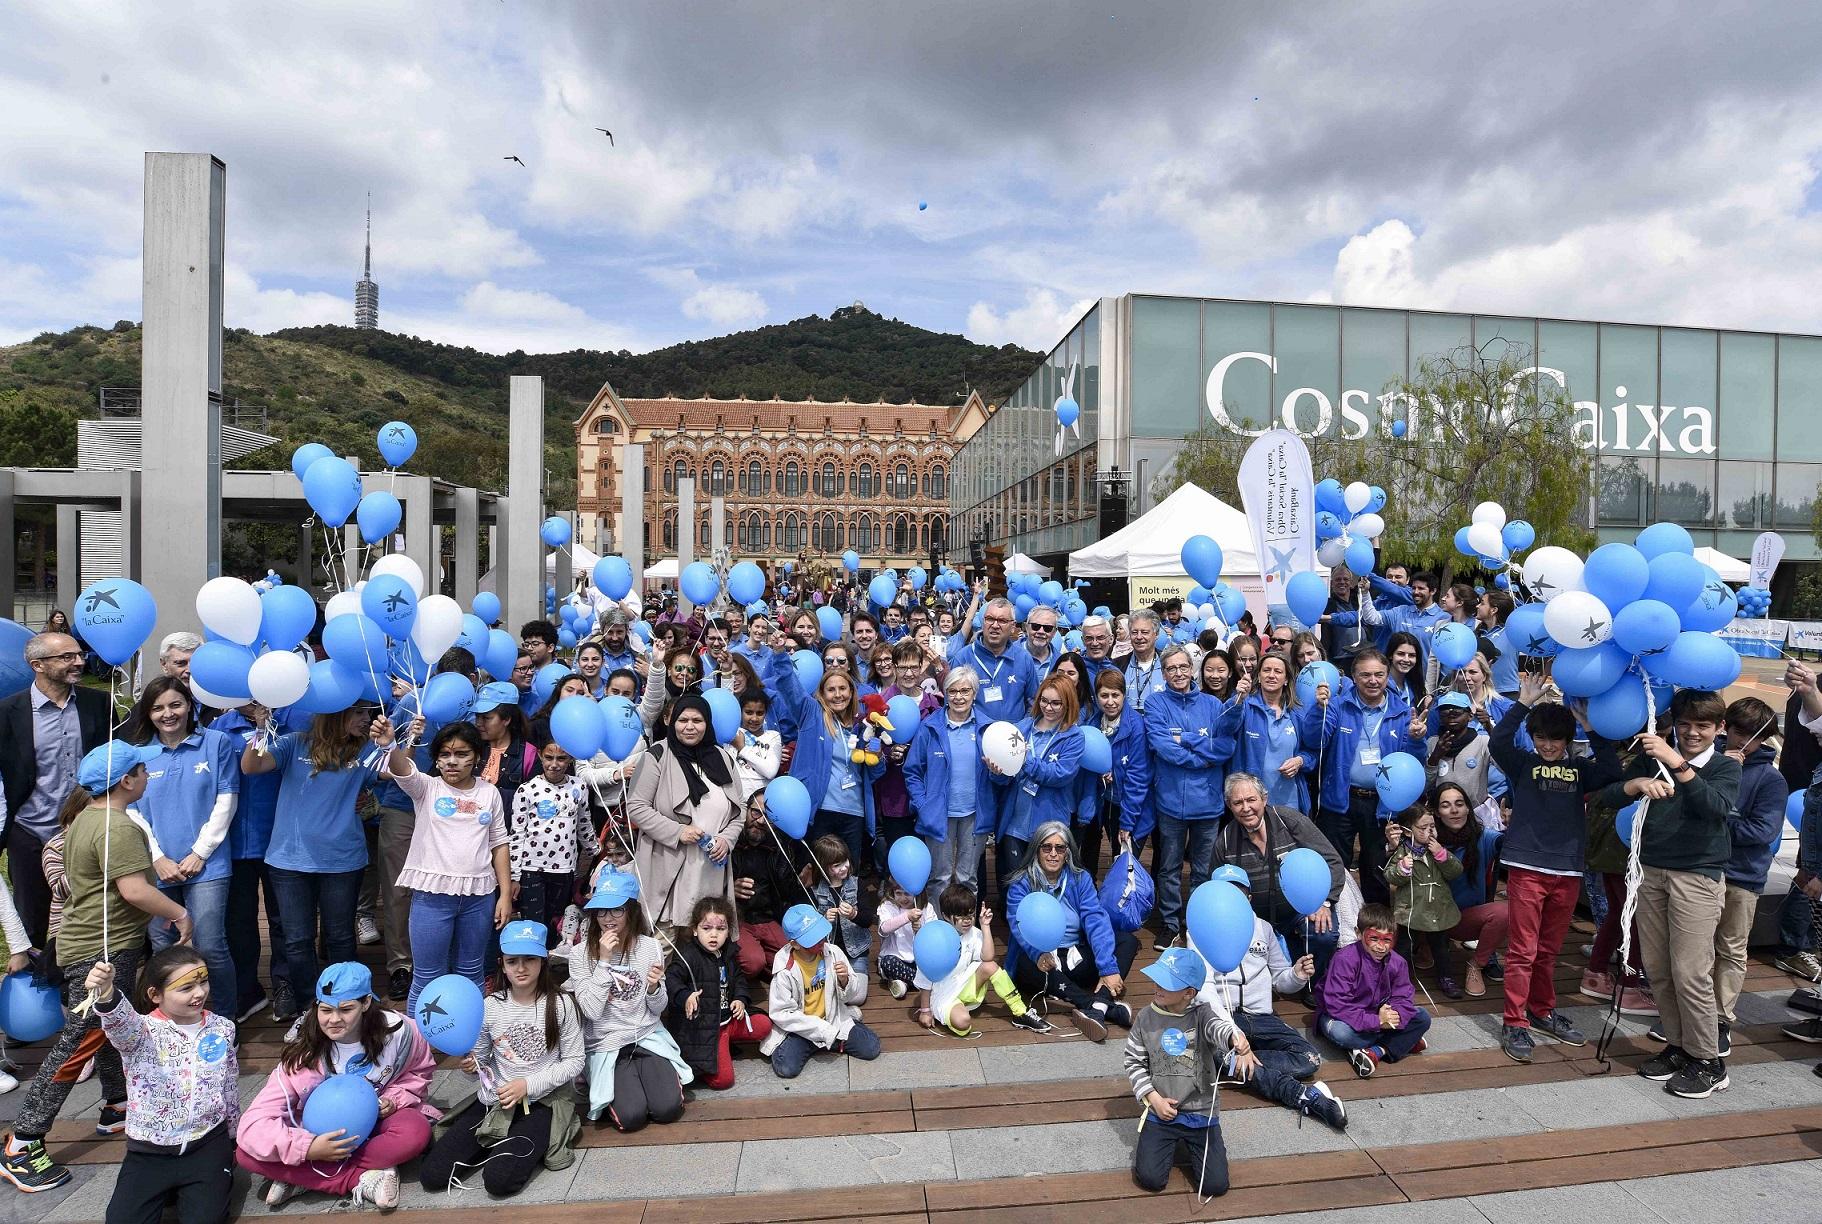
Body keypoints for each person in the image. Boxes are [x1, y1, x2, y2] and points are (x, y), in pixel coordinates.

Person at [3, 741, 191, 1195]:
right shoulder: (117, 827)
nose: (148, 775)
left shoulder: (86, 818)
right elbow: (135, 891)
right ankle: (23, 1141)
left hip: (92, 944)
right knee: (79, 1040)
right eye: (143, 770)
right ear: (127, 780)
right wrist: (180, 914)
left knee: (110, 1026)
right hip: (100, 952)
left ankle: (116, 1105)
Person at [1598, 689, 1741, 1098]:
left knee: (1691, 972)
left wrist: (1677, 764)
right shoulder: (1653, 758)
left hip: (1697, 877)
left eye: (1702, 726)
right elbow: (1607, 796)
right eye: (1684, 725)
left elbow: (1715, 808)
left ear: (1720, 729)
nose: (1692, 733)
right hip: (1650, 872)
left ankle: (1709, 1060)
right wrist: (1638, 783)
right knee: (1658, 968)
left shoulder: (1724, 767)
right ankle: (1678, 1047)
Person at [1490, 673, 1621, 1065]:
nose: (1547, 746)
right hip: (1526, 867)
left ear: (1567, 741)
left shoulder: (1581, 769)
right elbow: (1498, 742)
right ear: (1532, 738)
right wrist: (1523, 703)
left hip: (1566, 871)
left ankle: (1541, 1010)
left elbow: (1613, 771)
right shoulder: (1523, 763)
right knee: (1522, 951)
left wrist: (1591, 729)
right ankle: (1514, 1021)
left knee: (1547, 950)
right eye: (1541, 738)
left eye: (1555, 739)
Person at [238, 962, 437, 1211]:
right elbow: (252, 1125)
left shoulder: (401, 1032)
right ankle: (361, 1178)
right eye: (325, 1010)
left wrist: (395, 1099)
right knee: (245, 1154)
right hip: (317, 1134)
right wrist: (308, 1148)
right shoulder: (305, 1055)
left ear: (366, 1003)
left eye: (346, 1009)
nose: (333, 1019)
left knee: (415, 1132)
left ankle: (305, 1177)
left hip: (379, 1125)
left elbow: (419, 1073)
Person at [241, 705, 391, 1020]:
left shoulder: (363, 749)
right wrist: (259, 730)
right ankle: (312, 1008)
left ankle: (346, 1005)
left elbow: (394, 772)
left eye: (370, 712)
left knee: (340, 939)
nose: (367, 719)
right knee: (297, 940)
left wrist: (396, 742)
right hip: (289, 860)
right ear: (335, 712)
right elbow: (252, 766)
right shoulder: (295, 742)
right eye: (360, 713)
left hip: (342, 861)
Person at [420, 922, 585, 1198]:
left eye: (530, 959)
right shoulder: (490, 1005)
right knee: (433, 1175)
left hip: (541, 1101)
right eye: (512, 961)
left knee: (499, 1181)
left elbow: (574, 1061)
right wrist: (472, 1066)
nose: (521, 968)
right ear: (502, 964)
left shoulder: (561, 1004)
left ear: (543, 961)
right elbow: (481, 1058)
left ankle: (531, 1137)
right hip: (494, 1100)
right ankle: (494, 1139)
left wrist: (528, 1085)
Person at [117, 676, 241, 1029]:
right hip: (155, 867)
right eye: (157, 708)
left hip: (208, 864)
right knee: (163, 947)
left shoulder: (215, 743)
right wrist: (157, 857)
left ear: (190, 705)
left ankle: (224, 1021)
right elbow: (131, 809)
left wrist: (200, 852)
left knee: (210, 945)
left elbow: (227, 798)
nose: (167, 714)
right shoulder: (138, 752)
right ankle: (171, 1026)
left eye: (175, 704)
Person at [88, 947, 239, 1223]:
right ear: (155, 995)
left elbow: (229, 1083)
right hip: (149, 1154)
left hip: (207, 1144)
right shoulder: (141, 1032)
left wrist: (232, 1136)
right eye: (186, 988)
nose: (198, 993)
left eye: (203, 981)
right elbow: (120, 1024)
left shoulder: (223, 1028)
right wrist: (108, 994)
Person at [1192, 866, 1348, 1131]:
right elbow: (1204, 989)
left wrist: (1297, 975)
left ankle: (1233, 1066)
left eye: (1239, 891)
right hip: (1224, 1018)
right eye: (1225, 891)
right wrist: (1231, 1032)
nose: (1233, 897)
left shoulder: (1263, 928)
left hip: (1261, 1017)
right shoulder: (1200, 928)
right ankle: (1304, 1096)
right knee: (1218, 1051)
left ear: (1249, 897)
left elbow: (1280, 979)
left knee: (1309, 1057)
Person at [384, 721, 511, 1017]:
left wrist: (504, 894)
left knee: (472, 971)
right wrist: (391, 743)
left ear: (477, 757)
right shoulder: (426, 788)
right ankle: (419, 1046)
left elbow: (500, 843)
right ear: (437, 759)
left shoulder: (489, 794)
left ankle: (474, 1040)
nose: (452, 761)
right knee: (428, 975)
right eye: (444, 754)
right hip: (432, 898)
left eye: (462, 754)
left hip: (479, 898)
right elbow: (403, 769)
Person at [0, 630, 113, 947]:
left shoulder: (99, 704)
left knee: (92, 917)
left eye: (79, 655)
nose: (79, 662)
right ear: (38, 664)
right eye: (67, 657)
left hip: (88, 831)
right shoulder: (8, 713)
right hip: (29, 830)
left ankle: (85, 990)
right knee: (34, 920)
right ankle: (41, 991)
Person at [566, 869, 689, 1127]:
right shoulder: (579, 955)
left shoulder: (650, 946)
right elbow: (591, 1011)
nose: (608, 918)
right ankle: (598, 1075)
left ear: (631, 911)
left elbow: (658, 1008)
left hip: (646, 1034)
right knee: (631, 1117)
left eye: (616, 910)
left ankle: (648, 1075)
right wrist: (603, 962)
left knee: (667, 1110)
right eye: (602, 911)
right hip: (606, 1041)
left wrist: (654, 988)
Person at [1123, 946, 1244, 1199]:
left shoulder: (1202, 1015)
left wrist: (1233, 1037)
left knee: (1215, 1185)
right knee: (1150, 1179)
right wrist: (1153, 1099)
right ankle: (1165, 1141)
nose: (1158, 986)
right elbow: (1133, 1062)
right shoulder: (1145, 1017)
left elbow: (1216, 1029)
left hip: (1201, 1112)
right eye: (1157, 979)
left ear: (1189, 993)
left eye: (1167, 984)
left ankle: (1198, 1146)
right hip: (1161, 1112)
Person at [1308, 648, 1422, 907]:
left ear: (1387, 675)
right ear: (1354, 677)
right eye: (1366, 675)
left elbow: (1411, 758)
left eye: (1379, 674)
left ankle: (1376, 929)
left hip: (1382, 804)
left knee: (1377, 869)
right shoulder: (1338, 705)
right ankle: (1337, 922)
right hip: (1341, 799)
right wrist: (1318, 711)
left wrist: (1417, 739)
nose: (1373, 680)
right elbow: (1315, 740)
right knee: (1336, 865)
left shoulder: (1402, 711)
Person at [626, 694, 745, 939]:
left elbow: (739, 807)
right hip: (669, 861)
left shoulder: (722, 758)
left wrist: (726, 840)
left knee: (704, 937)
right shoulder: (657, 755)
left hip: (710, 866)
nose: (689, 726)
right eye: (683, 720)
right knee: (664, 942)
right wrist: (677, 831)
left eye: (697, 720)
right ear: (672, 722)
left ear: (707, 723)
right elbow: (637, 806)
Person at [212, 701, 303, 1018]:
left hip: (285, 840)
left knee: (285, 920)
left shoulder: (296, 725)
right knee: (239, 922)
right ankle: (247, 989)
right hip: (234, 843)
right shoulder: (219, 729)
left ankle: (286, 984)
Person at [1005, 823, 1137, 1041]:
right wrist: (1037, 953)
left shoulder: (1080, 878)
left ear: (1068, 852)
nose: (1053, 854)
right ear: (1036, 850)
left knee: (1127, 941)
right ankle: (1097, 1005)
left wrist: (1107, 967)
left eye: (1060, 848)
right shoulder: (1021, 883)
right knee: (1023, 963)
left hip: (1074, 956)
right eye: (1046, 847)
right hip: (1042, 964)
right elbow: (1018, 925)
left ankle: (1099, 1004)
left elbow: (1095, 919)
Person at [1705, 697, 1785, 1049]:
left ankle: (1721, 1018)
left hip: (1742, 875)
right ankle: (1692, 1013)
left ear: (1765, 738)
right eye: (1736, 731)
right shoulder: (1709, 763)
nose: (1741, 741)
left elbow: (1763, 832)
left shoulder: (1770, 779)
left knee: (1731, 949)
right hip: (1703, 870)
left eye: (1752, 735)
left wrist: (1716, 824)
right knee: (1696, 948)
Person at [1211, 773, 1344, 978]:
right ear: (1229, 805)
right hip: (1256, 920)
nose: (1246, 808)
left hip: (1301, 910)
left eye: (1251, 800)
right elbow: (1215, 889)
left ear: (1264, 798)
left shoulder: (1289, 821)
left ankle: (1314, 983)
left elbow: (1332, 860)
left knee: (1324, 935)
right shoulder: (1226, 840)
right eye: (1238, 802)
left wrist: (1325, 902)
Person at [1145, 645, 1236, 942]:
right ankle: (1170, 923)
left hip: (1208, 802)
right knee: (1169, 867)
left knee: (1202, 868)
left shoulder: (1212, 704)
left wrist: (1183, 739)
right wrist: (1202, 755)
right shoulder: (1155, 703)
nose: (1178, 673)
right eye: (1171, 668)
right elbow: (1162, 746)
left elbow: (1226, 747)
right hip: (1170, 800)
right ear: (1163, 673)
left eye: (1183, 667)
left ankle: (1196, 921)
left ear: (1192, 668)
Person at [903, 666, 998, 896]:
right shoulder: (929, 727)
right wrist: (923, 804)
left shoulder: (988, 729)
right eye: (952, 691)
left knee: (968, 878)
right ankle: (939, 929)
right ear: (945, 693)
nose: (958, 697)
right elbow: (912, 771)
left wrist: (997, 772)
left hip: (974, 814)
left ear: (974, 693)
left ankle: (965, 928)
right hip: (938, 814)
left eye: (965, 691)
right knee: (939, 878)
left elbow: (1001, 777)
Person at [989, 674, 1086, 892]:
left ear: (1067, 703)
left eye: (1056, 703)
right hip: (1015, 823)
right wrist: (996, 771)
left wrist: (1026, 760)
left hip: (1049, 824)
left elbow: (1060, 774)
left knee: (1045, 886)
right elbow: (1005, 776)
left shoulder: (1074, 737)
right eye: (1044, 700)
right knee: (1015, 885)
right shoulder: (1021, 728)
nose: (1048, 707)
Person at [1312, 903, 1432, 1078]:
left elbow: (1403, 997)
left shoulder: (1398, 962)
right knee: (1341, 1034)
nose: (1380, 947)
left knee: (1423, 1017)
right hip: (1340, 1015)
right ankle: (1401, 1042)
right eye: (1374, 939)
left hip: (1378, 1015)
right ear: (1358, 933)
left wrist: (1392, 1015)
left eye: (1387, 940)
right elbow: (1337, 1005)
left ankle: (1377, 1050)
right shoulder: (1344, 959)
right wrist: (1377, 1022)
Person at [762, 903, 881, 1078]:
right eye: (812, 939)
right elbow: (782, 1013)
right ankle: (824, 1041)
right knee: (786, 1068)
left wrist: (845, 980)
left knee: (871, 1048)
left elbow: (850, 993)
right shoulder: (785, 970)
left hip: (832, 1018)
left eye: (821, 934)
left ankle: (831, 1038)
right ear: (794, 944)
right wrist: (821, 1030)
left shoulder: (833, 952)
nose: (821, 941)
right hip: (801, 1029)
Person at [665, 896, 772, 1090]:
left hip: (727, 1020)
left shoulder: (727, 953)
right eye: (706, 928)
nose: (713, 935)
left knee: (763, 1025)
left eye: (720, 929)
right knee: (723, 1081)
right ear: (695, 930)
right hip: (704, 1027)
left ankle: (726, 1045)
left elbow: (738, 979)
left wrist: (740, 999)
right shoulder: (688, 956)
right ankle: (712, 1058)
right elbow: (671, 979)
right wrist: (685, 996)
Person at [915, 884, 1050, 1037]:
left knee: (990, 966)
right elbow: (925, 975)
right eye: (960, 916)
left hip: (965, 984)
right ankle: (953, 1013)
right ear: (946, 915)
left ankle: (1020, 1012)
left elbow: (988, 958)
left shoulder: (973, 932)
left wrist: (985, 927)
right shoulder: (936, 937)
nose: (967, 921)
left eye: (970, 915)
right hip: (944, 995)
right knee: (963, 1022)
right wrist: (925, 1011)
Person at [787, 665, 882, 873]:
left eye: (843, 688)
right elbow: (790, 689)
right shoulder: (813, 716)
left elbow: (874, 774)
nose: (838, 695)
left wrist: (878, 756)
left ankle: (849, 907)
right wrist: (779, 657)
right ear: (822, 693)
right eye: (831, 690)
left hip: (854, 813)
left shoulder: (863, 726)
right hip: (821, 811)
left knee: (849, 876)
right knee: (817, 876)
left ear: (851, 691)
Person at [511, 739, 592, 943]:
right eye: (549, 757)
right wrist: (514, 874)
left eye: (561, 758)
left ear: (570, 759)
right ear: (539, 755)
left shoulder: (579, 786)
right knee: (533, 925)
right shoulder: (526, 789)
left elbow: (583, 822)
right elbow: (517, 832)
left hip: (564, 869)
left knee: (555, 923)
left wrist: (594, 849)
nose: (554, 764)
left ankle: (548, 968)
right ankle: (533, 966)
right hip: (532, 868)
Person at [1432, 782, 1506, 1000]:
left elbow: (1507, 843)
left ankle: (1477, 964)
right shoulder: (1428, 839)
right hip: (1430, 919)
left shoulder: (1483, 836)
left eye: (1459, 804)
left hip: (1464, 919)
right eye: (1446, 805)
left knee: (1504, 912)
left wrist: (1515, 827)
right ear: (1437, 812)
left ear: (1467, 808)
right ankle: (1425, 947)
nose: (1454, 810)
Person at [1384, 805, 1465, 998]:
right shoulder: (1401, 851)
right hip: (1410, 910)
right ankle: (1399, 980)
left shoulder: (1436, 848)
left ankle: (1446, 977)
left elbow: (1456, 871)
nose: (1430, 831)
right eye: (1423, 828)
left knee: (1441, 946)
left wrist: (1442, 855)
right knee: (1403, 947)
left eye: (1432, 826)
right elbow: (1390, 875)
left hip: (1437, 908)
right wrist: (1402, 869)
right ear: (1407, 830)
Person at [731, 791, 813, 980]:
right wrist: (728, 887)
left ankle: (764, 962)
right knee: (753, 963)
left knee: (795, 962)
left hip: (769, 919)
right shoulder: (730, 842)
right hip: (739, 919)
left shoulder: (780, 848)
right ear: (746, 810)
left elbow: (787, 894)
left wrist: (801, 885)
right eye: (755, 812)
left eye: (768, 816)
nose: (760, 821)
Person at [1081, 669, 1151, 874]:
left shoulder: (1136, 726)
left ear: (1123, 695)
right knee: (1096, 854)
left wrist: (1128, 822)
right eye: (1104, 695)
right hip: (1103, 802)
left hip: (1130, 805)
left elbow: (1138, 777)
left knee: (1124, 863)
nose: (1110, 702)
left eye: (1115, 695)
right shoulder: (1093, 723)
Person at [1232, 653, 1313, 813]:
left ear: (1287, 679)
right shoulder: (1245, 705)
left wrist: (1300, 760)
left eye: (1278, 671)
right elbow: (1225, 728)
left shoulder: (1298, 712)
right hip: (1251, 803)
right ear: (1259, 676)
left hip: (1290, 802)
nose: (1271, 675)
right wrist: (1238, 700)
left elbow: (1312, 751)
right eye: (1266, 670)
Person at [947, 597, 1038, 724]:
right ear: (983, 622)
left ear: (1012, 627)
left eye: (1002, 620)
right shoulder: (963, 657)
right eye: (990, 619)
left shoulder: (1024, 658)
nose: (995, 625)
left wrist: (1023, 728)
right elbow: (950, 703)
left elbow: (1033, 702)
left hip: (1014, 737)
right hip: (975, 738)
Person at [806, 835, 875, 1002]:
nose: (845, 867)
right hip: (827, 955)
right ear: (823, 867)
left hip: (855, 952)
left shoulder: (858, 884)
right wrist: (821, 920)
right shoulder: (813, 891)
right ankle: (845, 1010)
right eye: (837, 865)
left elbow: (868, 919)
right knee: (818, 993)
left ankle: (842, 1007)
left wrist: (854, 914)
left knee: (858, 997)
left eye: (846, 861)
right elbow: (807, 931)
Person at [1427, 691, 1492, 808]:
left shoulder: (1483, 742)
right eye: (1445, 712)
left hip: (1476, 812)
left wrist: (1491, 729)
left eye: (1457, 712)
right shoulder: (1432, 743)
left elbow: (1505, 766)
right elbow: (1425, 785)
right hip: (1443, 813)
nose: (1451, 716)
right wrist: (1435, 758)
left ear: (1470, 716)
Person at [875, 880, 922, 1000]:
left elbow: (934, 935)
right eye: (898, 893)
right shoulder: (887, 906)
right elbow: (884, 929)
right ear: (892, 892)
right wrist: (907, 917)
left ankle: (904, 983)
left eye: (907, 894)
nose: (903, 898)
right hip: (896, 959)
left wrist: (921, 930)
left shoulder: (926, 907)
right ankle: (922, 984)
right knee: (888, 963)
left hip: (919, 961)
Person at [731, 690, 782, 799]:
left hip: (760, 804)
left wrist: (742, 748)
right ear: (740, 711)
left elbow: (770, 772)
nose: (754, 718)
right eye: (748, 712)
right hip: (736, 802)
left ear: (766, 713)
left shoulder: (773, 736)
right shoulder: (733, 733)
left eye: (759, 713)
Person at [1120, 610, 1168, 714]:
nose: (1139, 637)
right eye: (1134, 632)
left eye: (1145, 632)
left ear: (1156, 634)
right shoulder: (1117, 665)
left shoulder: (1169, 664)